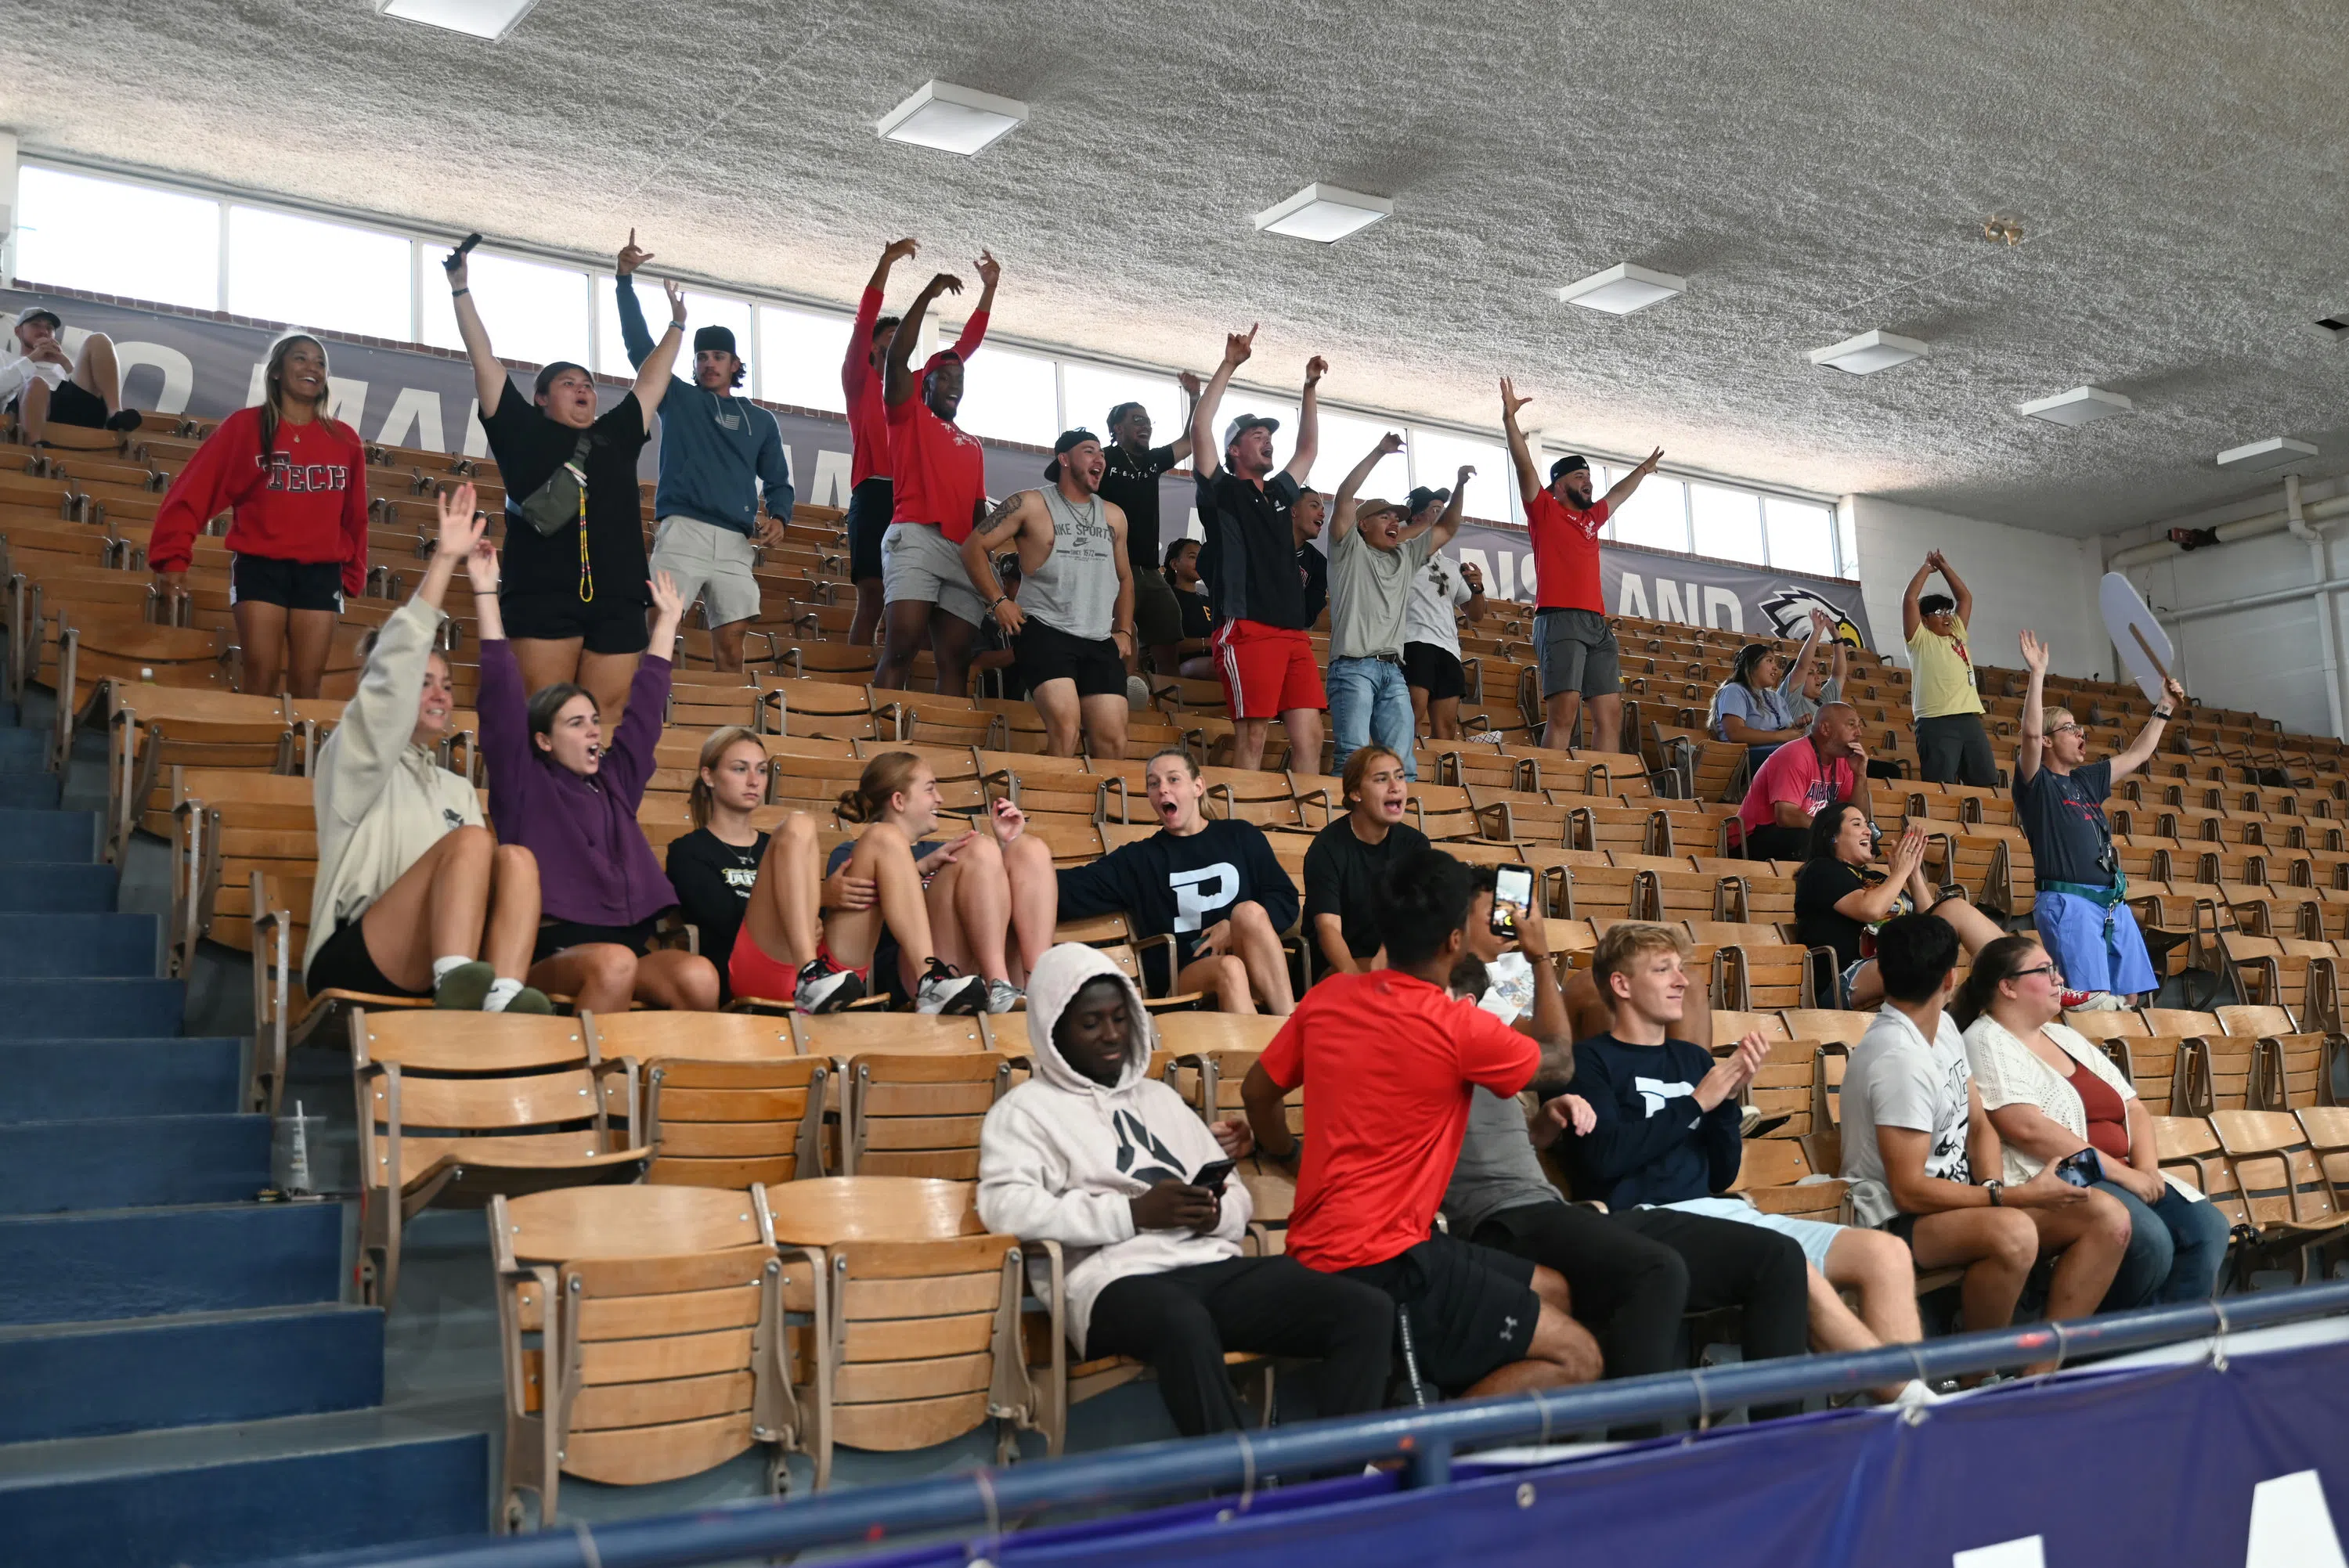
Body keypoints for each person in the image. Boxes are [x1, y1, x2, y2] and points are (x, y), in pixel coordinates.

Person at [976, 944, 1394, 1436]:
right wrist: (1132, 1215)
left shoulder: (1160, 1098)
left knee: (1365, 1307)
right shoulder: (1024, 1111)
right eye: (1091, 1024)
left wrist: (1212, 1213)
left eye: (1119, 1018)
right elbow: (1004, 1207)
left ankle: (1334, 1487)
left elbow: (1235, 1194)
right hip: (1109, 1282)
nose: (1111, 1035)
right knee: (1182, 1320)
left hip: (1207, 1264)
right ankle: (1235, 1487)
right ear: (1054, 1031)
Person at [1243, 849, 1601, 1398]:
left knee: (1553, 1289)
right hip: (1385, 1263)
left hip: (1324, 1249)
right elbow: (1559, 1058)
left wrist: (1286, 1152)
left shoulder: (1328, 997)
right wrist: (1539, 957)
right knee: (1579, 1357)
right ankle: (1414, 1456)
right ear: (1455, 940)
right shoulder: (1457, 1026)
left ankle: (1418, 1404)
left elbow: (1255, 1091)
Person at [1442, 883, 1817, 1408]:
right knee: (1658, 1269)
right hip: (1531, 1214)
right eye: (1498, 911)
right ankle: (1642, 1460)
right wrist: (1539, 955)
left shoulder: (1486, 1014)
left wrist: (1543, 1124)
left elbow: (1508, 1119)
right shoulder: (1448, 1016)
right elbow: (1560, 1065)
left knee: (1779, 1255)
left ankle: (1780, 1448)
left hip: (1554, 1204)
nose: (1517, 916)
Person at [1557, 922, 1925, 1404]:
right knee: (1789, 1263)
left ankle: (1897, 1411)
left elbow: (1720, 1174)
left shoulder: (1691, 1060)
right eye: (1662, 969)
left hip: (1719, 1213)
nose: (1681, 981)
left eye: (1680, 969)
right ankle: (1911, 1404)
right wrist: (1696, 1103)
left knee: (1886, 1254)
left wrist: (1727, 1101)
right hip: (1645, 1224)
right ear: (1621, 986)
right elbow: (1601, 1162)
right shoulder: (1590, 1062)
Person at [1838, 914, 2131, 1368]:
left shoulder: (1943, 1029)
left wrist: (1996, 1187)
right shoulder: (1898, 1059)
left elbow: (1980, 1125)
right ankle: (1977, 1376)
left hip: (1959, 1201)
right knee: (2012, 1234)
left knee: (2106, 1217)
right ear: (1951, 977)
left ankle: (2040, 1374)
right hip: (1893, 1219)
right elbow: (1909, 1190)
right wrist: (2009, 1198)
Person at [305, 484, 548, 1015]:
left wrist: (486, 591)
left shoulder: (455, 787)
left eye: (445, 681)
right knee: (472, 842)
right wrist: (444, 560)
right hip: (355, 954)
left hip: (430, 955)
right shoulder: (350, 758)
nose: (439, 691)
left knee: (519, 859)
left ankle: (500, 1000)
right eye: (423, 679)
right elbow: (390, 678)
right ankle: (457, 984)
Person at [449, 241, 683, 729]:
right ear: (540, 398)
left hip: (618, 597)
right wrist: (461, 289)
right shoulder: (519, 428)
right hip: (540, 596)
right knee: (541, 716)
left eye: (589, 384)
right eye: (568, 383)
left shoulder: (615, 433)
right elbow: (484, 359)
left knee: (606, 721)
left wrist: (677, 326)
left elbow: (650, 383)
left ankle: (596, 808)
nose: (583, 390)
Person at [475, 553, 720, 1015]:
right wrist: (486, 594)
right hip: (547, 953)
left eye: (594, 720)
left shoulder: (615, 781)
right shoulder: (522, 781)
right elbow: (500, 697)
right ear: (543, 740)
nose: (593, 731)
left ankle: (672, 1084)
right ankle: (586, 1085)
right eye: (575, 723)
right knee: (614, 965)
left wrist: (666, 623)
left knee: (699, 976)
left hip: (627, 947)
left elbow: (645, 712)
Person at [1954, 935, 2232, 1307]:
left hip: (2123, 1171)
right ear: (2007, 987)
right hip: (2061, 1175)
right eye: (2044, 970)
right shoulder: (1986, 1039)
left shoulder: (2064, 1035)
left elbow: (2133, 1107)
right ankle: (2107, 1349)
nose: (2058, 979)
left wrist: (2147, 1169)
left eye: (2055, 969)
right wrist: (2123, 1175)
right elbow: (2025, 1128)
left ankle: (2165, 1345)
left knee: (2208, 1228)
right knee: (2149, 1240)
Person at [147, 333, 367, 698]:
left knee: (307, 685)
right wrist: (173, 559)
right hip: (260, 567)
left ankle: (299, 758)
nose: (312, 367)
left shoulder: (345, 439)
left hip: (320, 572)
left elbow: (355, 515)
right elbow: (193, 492)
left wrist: (353, 572)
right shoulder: (244, 427)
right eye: (301, 358)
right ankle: (257, 753)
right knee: (261, 679)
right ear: (278, 370)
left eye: (320, 362)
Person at [614, 229, 792, 672]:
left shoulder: (763, 419)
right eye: (702, 356)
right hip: (683, 531)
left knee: (732, 649)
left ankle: (726, 731)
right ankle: (643, 719)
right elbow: (641, 350)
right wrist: (623, 283)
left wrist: (781, 517)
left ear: (735, 364)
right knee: (656, 630)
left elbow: (778, 481)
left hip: (736, 540)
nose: (709, 363)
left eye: (718, 356)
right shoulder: (678, 398)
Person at [1055, 748, 1297, 1015]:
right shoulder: (1140, 859)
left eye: (1173, 779)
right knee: (1230, 968)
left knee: (1248, 913)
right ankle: (1272, 1051)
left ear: (1197, 786)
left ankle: (1291, 1027)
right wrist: (1017, 857)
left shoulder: (1241, 836)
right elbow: (1071, 889)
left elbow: (1284, 898)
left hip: (1252, 963)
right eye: (1153, 783)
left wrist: (1231, 929)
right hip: (1185, 974)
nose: (1162, 789)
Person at [2014, 629, 2180, 1003]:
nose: (2080, 732)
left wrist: (2164, 707)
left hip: (2110, 902)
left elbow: (2137, 754)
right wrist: (2037, 674)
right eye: (2069, 728)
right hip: (2068, 903)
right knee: (2093, 1000)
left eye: (2080, 726)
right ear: (2048, 740)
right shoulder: (2036, 782)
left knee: (2132, 997)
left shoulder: (2085, 780)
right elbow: (2028, 734)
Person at [1189, 325, 1326, 772]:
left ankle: (1306, 833)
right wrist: (1229, 364)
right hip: (1247, 627)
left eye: (1269, 435)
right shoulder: (1221, 490)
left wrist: (1308, 390)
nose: (1268, 440)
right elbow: (1201, 427)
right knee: (1255, 735)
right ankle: (1240, 833)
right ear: (1234, 450)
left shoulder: (1280, 493)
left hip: (1291, 631)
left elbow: (1308, 448)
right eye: (1256, 436)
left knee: (1311, 736)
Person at [822, 752, 1052, 1015]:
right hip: (913, 973)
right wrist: (921, 869)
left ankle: (1038, 983)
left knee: (1028, 848)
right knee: (980, 848)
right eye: (930, 789)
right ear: (899, 800)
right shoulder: (854, 851)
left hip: (972, 967)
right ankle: (997, 983)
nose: (940, 799)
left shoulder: (946, 851)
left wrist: (1006, 845)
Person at [844, 238, 991, 648]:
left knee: (923, 611)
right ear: (874, 348)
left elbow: (965, 349)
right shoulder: (859, 380)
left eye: (901, 337)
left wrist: (988, 291)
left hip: (911, 498)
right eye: (890, 337)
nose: (898, 343)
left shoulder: (916, 388)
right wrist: (886, 262)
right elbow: (863, 320)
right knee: (872, 596)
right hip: (874, 492)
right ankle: (856, 679)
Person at [1501, 377, 1661, 752]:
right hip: (1559, 619)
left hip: (1596, 623)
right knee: (1565, 715)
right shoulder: (1544, 511)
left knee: (1610, 716)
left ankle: (1603, 794)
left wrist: (1642, 469)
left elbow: (1618, 493)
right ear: (1558, 486)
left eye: (1589, 477)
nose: (1588, 483)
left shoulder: (1593, 519)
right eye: (1579, 477)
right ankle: (1553, 789)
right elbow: (1524, 466)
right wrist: (1510, 420)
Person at [959, 431, 1136, 759]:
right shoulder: (1030, 503)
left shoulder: (1114, 515)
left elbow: (1125, 578)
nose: (1100, 459)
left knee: (1113, 742)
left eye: (1102, 454)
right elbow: (973, 547)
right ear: (1064, 459)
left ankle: (1099, 811)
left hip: (1098, 640)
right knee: (1066, 730)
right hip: (1046, 632)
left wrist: (1124, 629)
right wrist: (999, 601)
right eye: (1089, 451)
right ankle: (1047, 807)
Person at [661, 727, 861, 1013]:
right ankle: (810, 975)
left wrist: (813, 915)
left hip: (796, 958)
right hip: (742, 970)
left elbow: (810, 921)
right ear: (709, 776)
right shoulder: (688, 851)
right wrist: (820, 898)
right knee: (797, 824)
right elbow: (725, 922)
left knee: (804, 827)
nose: (754, 781)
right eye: (740, 769)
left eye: (762, 770)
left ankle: (929, 985)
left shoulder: (776, 845)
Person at [876, 253, 1003, 697]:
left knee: (956, 661)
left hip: (963, 552)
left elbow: (975, 512)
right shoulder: (907, 416)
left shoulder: (973, 443)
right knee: (901, 649)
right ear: (924, 383)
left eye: (960, 380)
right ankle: (879, 741)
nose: (954, 384)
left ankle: (947, 744)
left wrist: (989, 290)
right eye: (945, 378)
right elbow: (896, 358)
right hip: (915, 536)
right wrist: (927, 293)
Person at [1325, 437, 1467, 780]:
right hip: (1352, 668)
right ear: (1362, 525)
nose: (1394, 522)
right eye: (1384, 516)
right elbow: (1345, 494)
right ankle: (1342, 829)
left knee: (1404, 765)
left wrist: (1460, 486)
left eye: (1396, 517)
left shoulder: (1406, 556)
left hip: (1394, 671)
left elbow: (1447, 527)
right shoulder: (1348, 550)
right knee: (1352, 756)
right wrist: (1378, 452)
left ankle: (1404, 830)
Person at [1795, 806, 2005, 1009]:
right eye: (1857, 824)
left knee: (1954, 908)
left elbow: (1931, 926)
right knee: (1923, 961)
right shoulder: (1820, 870)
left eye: (1867, 824)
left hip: (1901, 957)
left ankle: (2012, 974)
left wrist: (1913, 872)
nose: (1869, 830)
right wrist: (1900, 872)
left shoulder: (1877, 878)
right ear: (1832, 835)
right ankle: (1968, 1012)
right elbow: (1871, 910)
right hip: (1845, 975)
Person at [1096, 376, 1201, 676]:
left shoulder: (1151, 461)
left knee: (1168, 636)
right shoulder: (1103, 459)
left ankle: (1170, 709)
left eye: (1147, 420)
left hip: (1150, 571)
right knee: (1123, 638)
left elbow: (1190, 442)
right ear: (1118, 428)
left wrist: (1194, 399)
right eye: (1136, 420)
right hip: (1113, 568)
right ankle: (1123, 700)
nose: (1145, 425)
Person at [1302, 745, 1428, 975]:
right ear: (1355, 793)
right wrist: (1356, 980)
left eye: (1400, 776)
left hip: (1392, 962)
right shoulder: (1327, 847)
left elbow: (1408, 918)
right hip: (1337, 967)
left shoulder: (1415, 844)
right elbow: (1328, 928)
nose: (1395, 786)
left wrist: (1384, 968)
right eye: (1381, 779)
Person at [1902, 551, 1995, 787]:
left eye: (1948, 611)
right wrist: (1926, 567)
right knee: (1940, 787)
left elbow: (1965, 598)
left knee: (1986, 784)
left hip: (1969, 720)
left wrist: (1944, 567)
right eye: (1939, 612)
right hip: (1936, 721)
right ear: (1924, 619)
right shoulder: (1920, 639)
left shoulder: (1958, 635)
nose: (1947, 617)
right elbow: (1910, 600)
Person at [1734, 701, 1871, 860]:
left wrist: (1860, 775)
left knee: (1863, 839)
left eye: (1859, 726)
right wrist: (1829, 832)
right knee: (1811, 840)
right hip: (1753, 838)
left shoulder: (1845, 760)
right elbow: (1786, 816)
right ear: (1825, 729)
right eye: (1851, 725)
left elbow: (1859, 816)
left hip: (1802, 832)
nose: (1859, 732)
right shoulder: (1795, 754)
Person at [1403, 489, 1488, 742]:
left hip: (1449, 649)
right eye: (1435, 510)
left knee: (1447, 727)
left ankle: (1441, 783)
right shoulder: (1401, 553)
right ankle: (1403, 773)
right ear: (1417, 517)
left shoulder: (1453, 566)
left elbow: (1476, 614)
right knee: (1412, 713)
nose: (1443, 515)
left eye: (1443, 509)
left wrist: (1478, 588)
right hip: (1414, 640)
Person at [0, 304, 140, 438]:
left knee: (98, 339)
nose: (44, 331)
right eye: (36, 325)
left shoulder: (60, 366)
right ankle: (35, 447)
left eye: (50, 328)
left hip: (70, 410)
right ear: (18, 331)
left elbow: (84, 389)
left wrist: (64, 362)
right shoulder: (4, 357)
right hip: (25, 409)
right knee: (37, 383)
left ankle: (115, 415)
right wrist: (32, 358)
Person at [1710, 642, 1807, 776]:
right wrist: (1780, 736)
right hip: (1742, 759)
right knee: (1794, 753)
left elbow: (1787, 733)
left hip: (1774, 753)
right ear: (1752, 665)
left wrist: (1796, 728)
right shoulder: (1734, 690)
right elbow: (1735, 733)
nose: (1776, 668)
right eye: (1769, 661)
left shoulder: (1776, 698)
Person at [1779, 609, 1847, 729]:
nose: (1818, 677)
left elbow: (1839, 675)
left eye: (1818, 672)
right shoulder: (1790, 699)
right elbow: (1801, 666)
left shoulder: (1824, 701)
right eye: (1810, 673)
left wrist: (1836, 635)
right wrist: (1817, 631)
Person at [1161, 539, 1217, 679]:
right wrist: (1208, 643)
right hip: (1180, 668)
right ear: (1174, 564)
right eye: (1192, 557)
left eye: (1201, 558)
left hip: (1213, 661)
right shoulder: (1166, 597)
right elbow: (1165, 645)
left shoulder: (1209, 600)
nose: (1199, 562)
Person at [1294, 488, 1330, 629]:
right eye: (1314, 506)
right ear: (1293, 511)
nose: (1322, 514)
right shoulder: (1262, 545)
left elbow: (1308, 617)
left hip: (1289, 635)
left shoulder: (1319, 563)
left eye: (1322, 509)